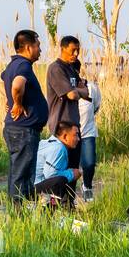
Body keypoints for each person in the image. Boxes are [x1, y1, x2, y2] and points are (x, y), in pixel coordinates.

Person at [1, 30, 48, 202]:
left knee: (17, 172)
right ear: (28, 47)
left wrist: (9, 100)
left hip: (17, 128)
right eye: (38, 46)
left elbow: (3, 78)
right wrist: (17, 103)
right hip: (24, 130)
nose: (40, 50)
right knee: (23, 175)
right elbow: (17, 84)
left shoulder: (12, 65)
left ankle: (18, 212)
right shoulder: (23, 65)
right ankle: (19, 214)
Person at [45, 36, 93, 173]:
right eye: (73, 50)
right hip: (61, 126)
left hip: (74, 125)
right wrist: (77, 92)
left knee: (73, 169)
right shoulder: (56, 69)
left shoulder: (72, 69)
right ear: (62, 49)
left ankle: (70, 195)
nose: (76, 54)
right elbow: (72, 95)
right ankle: (59, 194)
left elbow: (85, 91)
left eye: (78, 50)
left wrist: (76, 91)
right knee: (60, 170)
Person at [34, 121, 81, 205]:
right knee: (60, 180)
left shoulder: (49, 143)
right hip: (34, 189)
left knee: (62, 178)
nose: (78, 139)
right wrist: (71, 174)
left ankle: (63, 206)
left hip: (30, 185)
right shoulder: (58, 148)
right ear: (65, 136)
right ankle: (49, 209)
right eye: (76, 135)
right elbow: (50, 175)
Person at [76, 71, 103, 202]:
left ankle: (87, 186)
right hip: (70, 134)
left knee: (89, 163)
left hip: (88, 132)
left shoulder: (92, 88)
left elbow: (96, 106)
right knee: (72, 165)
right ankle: (67, 194)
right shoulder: (66, 88)